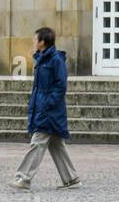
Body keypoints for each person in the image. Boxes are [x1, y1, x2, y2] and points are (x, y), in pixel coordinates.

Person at [10, 27, 81, 190]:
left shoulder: (55, 60)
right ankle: (71, 178)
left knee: (37, 142)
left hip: (50, 111)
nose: (33, 42)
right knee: (56, 145)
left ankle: (23, 178)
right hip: (44, 108)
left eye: (35, 39)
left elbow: (60, 85)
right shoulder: (42, 60)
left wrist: (47, 104)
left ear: (43, 42)